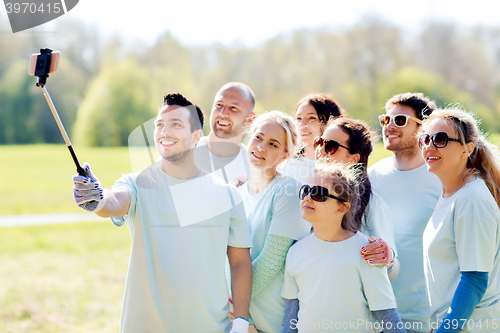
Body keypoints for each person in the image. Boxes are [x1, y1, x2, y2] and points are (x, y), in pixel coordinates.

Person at [72, 92, 253, 333]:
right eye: (159, 124)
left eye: (176, 124)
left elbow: (240, 262)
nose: (164, 131)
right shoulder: (136, 183)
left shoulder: (228, 195)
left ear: (196, 136)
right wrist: (96, 198)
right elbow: (113, 202)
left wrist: (240, 322)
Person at [281, 162, 406, 333]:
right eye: (305, 190)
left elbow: (386, 314)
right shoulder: (295, 252)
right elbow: (291, 315)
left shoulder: (366, 251)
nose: (308, 198)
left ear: (342, 207)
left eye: (318, 193)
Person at [419, 108, 500, 332]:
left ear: (468, 149)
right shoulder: (451, 194)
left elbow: (475, 280)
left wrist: (447, 328)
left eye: (441, 139)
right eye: (425, 138)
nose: (429, 146)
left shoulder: (471, 199)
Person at [368, 92, 441, 333]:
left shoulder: (441, 179)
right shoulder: (372, 176)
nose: (389, 126)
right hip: (376, 316)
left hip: (426, 320)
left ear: (424, 128)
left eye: (399, 120)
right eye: (385, 120)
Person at [234, 110, 311, 333]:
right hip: (242, 319)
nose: (261, 147)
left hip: (273, 319)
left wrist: (233, 301)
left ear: (285, 155)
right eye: (258, 137)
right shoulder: (237, 192)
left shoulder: (288, 191)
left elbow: (270, 262)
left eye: (273, 144)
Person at [315, 117, 399, 281]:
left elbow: (393, 272)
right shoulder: (306, 196)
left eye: (331, 147)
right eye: (319, 143)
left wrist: (387, 258)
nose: (321, 151)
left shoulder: (373, 205)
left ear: (353, 159)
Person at [195, 82, 256, 185]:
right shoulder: (182, 152)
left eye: (233, 108)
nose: (222, 113)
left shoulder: (253, 170)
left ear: (250, 119)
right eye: (219, 105)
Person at [279, 93, 344, 184]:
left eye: (312, 118)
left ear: (329, 123)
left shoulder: (340, 170)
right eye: (298, 118)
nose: (301, 124)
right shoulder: (283, 165)